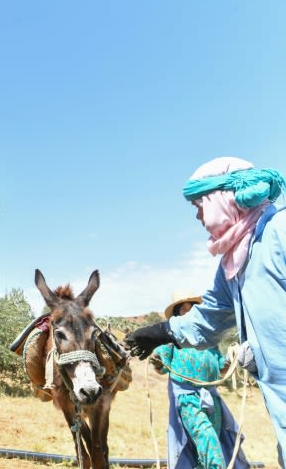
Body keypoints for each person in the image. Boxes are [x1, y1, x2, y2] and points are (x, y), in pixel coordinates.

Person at [124, 156, 286, 467]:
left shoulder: (279, 232)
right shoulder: (235, 265)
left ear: (225, 199)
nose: (198, 215)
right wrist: (163, 331)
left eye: (200, 204)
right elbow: (208, 317)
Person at [148, 291, 249, 469]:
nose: (187, 313)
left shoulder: (209, 340)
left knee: (204, 446)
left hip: (212, 400)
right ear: (178, 314)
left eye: (192, 309)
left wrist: (229, 358)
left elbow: (219, 368)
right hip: (187, 400)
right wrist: (156, 359)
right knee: (208, 441)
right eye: (183, 310)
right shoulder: (173, 340)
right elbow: (161, 365)